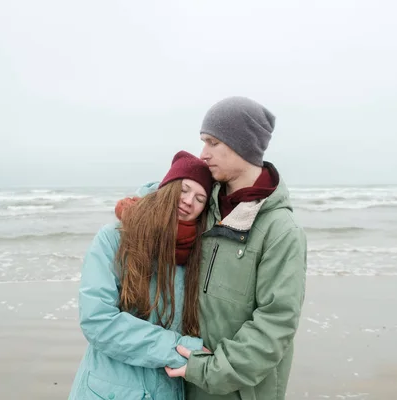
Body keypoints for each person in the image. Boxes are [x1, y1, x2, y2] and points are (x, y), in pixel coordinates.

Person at [163, 96, 308, 399]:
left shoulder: (281, 231)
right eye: (203, 142)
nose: (203, 154)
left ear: (242, 145)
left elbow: (276, 324)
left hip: (242, 390)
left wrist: (211, 370)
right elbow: (167, 189)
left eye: (213, 142)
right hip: (188, 379)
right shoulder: (205, 204)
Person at [67, 150, 214, 400]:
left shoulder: (197, 253)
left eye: (200, 198)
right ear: (167, 187)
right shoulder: (115, 236)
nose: (189, 201)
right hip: (107, 391)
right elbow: (97, 320)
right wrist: (183, 348)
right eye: (184, 189)